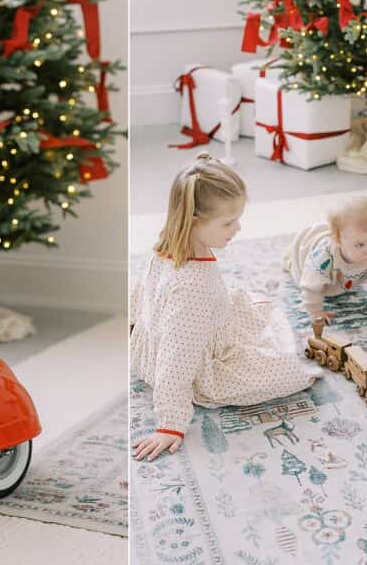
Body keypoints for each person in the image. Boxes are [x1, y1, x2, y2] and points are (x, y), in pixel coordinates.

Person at [130, 153, 320, 461]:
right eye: (228, 222)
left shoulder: (166, 246)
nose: (238, 228)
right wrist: (170, 423)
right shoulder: (194, 287)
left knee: (249, 303)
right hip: (195, 366)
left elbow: (143, 294)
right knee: (290, 371)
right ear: (194, 221)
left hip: (156, 343)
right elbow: (176, 359)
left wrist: (135, 328)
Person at [283, 196, 367, 327]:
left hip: (343, 279)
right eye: (360, 245)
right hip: (310, 264)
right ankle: (289, 255)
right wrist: (316, 311)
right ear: (338, 241)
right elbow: (309, 287)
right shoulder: (321, 260)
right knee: (294, 267)